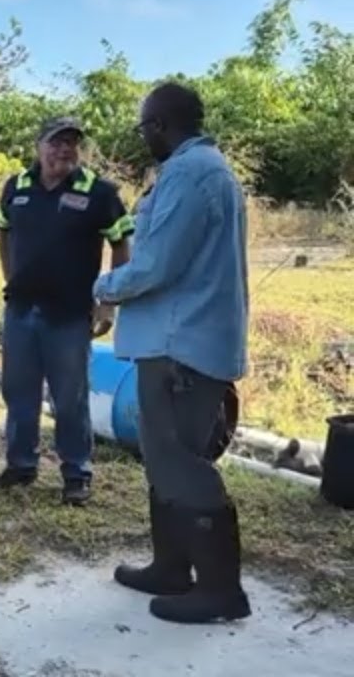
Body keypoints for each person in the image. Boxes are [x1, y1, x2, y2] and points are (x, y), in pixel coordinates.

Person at [93, 81, 252, 624]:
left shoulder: (189, 173)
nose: (144, 138)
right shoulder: (208, 169)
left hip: (180, 345)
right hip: (179, 340)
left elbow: (157, 265)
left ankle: (220, 590)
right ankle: (170, 567)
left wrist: (102, 287)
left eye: (145, 127)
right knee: (165, 456)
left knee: (182, 461)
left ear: (160, 125)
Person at [0, 116, 133, 506]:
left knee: (69, 398)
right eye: (56, 142)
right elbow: (2, 232)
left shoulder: (99, 192)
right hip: (20, 310)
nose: (64, 150)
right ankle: (21, 465)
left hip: (69, 315)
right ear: (39, 146)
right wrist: (10, 277)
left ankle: (76, 474)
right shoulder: (15, 188)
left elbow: (122, 244)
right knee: (18, 393)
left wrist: (108, 304)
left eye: (71, 143)